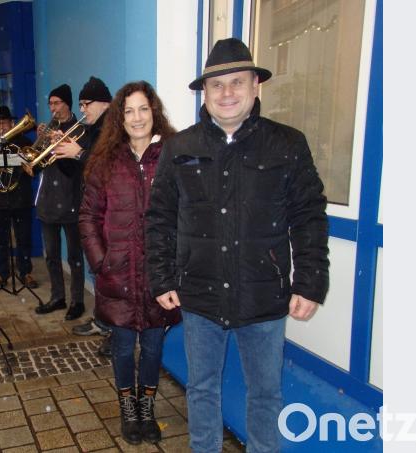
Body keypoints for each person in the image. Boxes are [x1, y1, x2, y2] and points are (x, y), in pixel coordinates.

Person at [145, 38, 330, 452]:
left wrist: (310, 282)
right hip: (200, 295)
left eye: (237, 82)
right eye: (217, 85)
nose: (227, 93)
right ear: (204, 93)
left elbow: (309, 217)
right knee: (202, 389)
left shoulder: (287, 145)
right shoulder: (180, 148)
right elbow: (159, 219)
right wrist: (160, 277)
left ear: (256, 87)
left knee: (265, 394)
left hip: (264, 295)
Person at [80, 81, 180, 445]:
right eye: (129, 110)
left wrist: (176, 267)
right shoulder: (105, 161)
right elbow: (89, 217)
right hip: (117, 275)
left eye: (143, 109)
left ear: (154, 111)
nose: (137, 117)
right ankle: (128, 408)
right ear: (119, 118)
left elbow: (187, 216)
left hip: (159, 278)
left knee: (153, 347)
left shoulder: (174, 155)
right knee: (123, 348)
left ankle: (146, 408)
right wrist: (100, 262)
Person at [34, 79, 112, 322]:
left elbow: (92, 169)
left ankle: (81, 304)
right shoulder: (86, 129)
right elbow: (70, 167)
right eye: (50, 104)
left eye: (85, 104)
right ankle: (60, 297)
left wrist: (73, 150)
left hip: (74, 203)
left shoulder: (95, 130)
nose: (83, 109)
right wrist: (54, 146)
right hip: (50, 202)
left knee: (78, 258)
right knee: (53, 255)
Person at [0, 106, 38, 291]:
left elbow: (33, 168)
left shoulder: (23, 141)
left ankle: (25, 271)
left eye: (5, 122)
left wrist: (21, 163)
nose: (2, 127)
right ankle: (1, 273)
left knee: (23, 238)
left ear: (12, 123)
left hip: (20, 197)